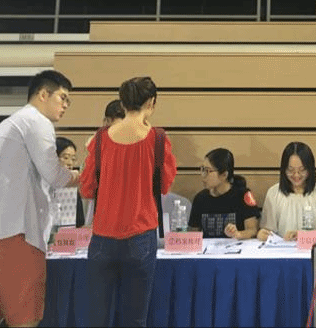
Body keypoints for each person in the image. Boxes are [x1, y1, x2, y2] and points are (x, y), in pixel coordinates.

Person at [0, 70, 80, 328]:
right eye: (62, 98)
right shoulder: (37, 122)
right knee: (25, 321)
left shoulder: (9, 125)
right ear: (43, 94)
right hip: (17, 236)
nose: (66, 105)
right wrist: (82, 176)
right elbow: (55, 175)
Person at [79, 76, 176, 328]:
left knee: (96, 319)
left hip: (102, 237)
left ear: (121, 103)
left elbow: (87, 188)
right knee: (135, 319)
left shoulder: (100, 139)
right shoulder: (158, 139)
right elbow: (164, 185)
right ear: (151, 103)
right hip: (141, 236)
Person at [257, 141, 316, 240]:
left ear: (310, 169)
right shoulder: (273, 193)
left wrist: (303, 237)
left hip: (314, 248)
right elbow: (268, 230)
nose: (296, 175)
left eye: (302, 170)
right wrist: (263, 234)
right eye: (290, 170)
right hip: (282, 248)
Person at [188, 147, 260, 239]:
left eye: (207, 171)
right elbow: (193, 234)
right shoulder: (200, 198)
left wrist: (238, 234)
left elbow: (252, 230)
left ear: (224, 175)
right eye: (202, 169)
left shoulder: (243, 195)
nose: (203, 175)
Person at [54, 136, 86, 228]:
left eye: (73, 159)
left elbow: (79, 221)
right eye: (65, 157)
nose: (70, 163)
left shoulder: (73, 185)